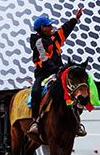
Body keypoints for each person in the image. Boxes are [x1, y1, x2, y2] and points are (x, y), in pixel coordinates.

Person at [28, 7, 85, 136]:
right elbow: (44, 61)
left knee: (73, 88)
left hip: (58, 71)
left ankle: (77, 122)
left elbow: (65, 29)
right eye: (49, 25)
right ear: (43, 28)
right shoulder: (39, 42)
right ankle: (35, 121)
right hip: (44, 73)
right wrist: (57, 69)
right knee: (36, 91)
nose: (52, 27)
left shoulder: (55, 37)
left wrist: (75, 19)